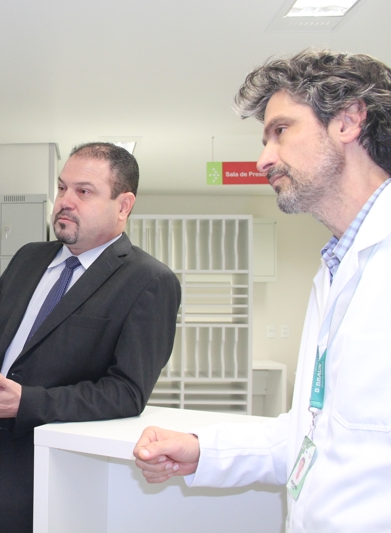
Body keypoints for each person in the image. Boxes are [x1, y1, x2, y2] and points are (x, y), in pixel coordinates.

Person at [133, 49, 391, 532]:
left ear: (348, 121)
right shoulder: (336, 267)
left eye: (281, 130)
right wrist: (203, 450)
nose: (263, 159)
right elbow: (315, 432)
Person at [0, 142, 182, 533]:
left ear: (123, 205)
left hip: (53, 475)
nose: (65, 201)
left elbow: (126, 392)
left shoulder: (149, 282)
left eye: (84, 191)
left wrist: (27, 403)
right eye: (62, 187)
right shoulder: (28, 257)